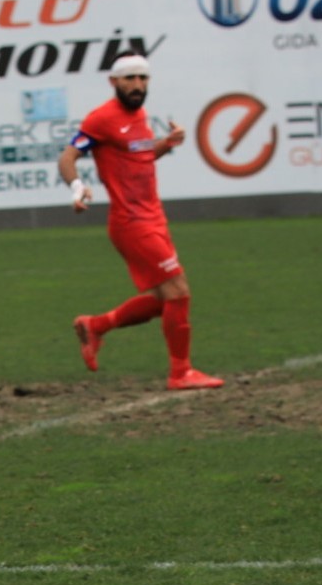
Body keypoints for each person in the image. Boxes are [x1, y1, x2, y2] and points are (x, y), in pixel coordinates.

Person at [59, 54, 223, 391]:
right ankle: (181, 373)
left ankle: (96, 326)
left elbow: (140, 156)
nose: (137, 85)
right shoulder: (102, 118)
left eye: (143, 79)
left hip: (153, 218)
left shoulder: (140, 116)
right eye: (130, 78)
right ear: (113, 82)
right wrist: (77, 187)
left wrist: (166, 144)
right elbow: (68, 156)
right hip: (131, 222)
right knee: (179, 291)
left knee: (166, 300)